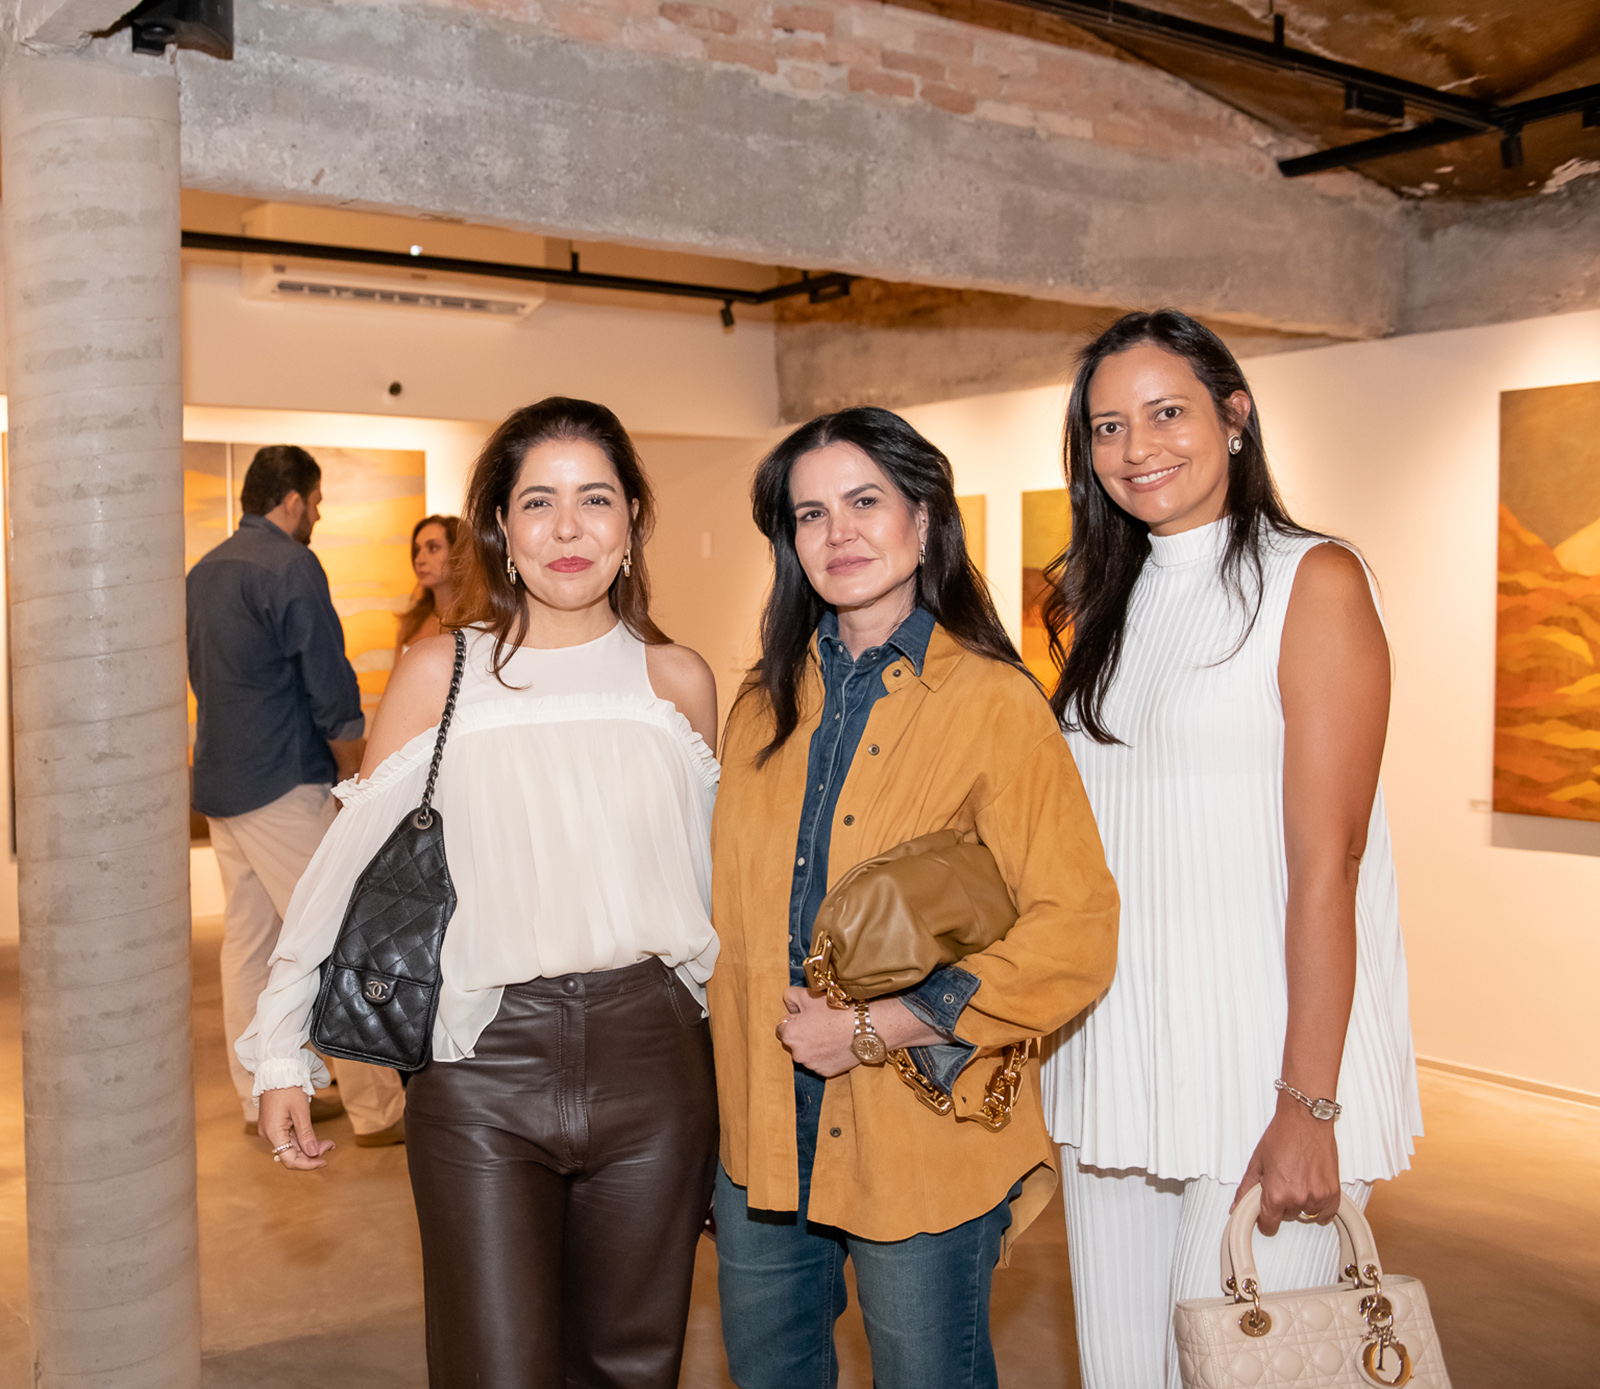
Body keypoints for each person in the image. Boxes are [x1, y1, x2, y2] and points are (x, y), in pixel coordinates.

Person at [237, 398, 722, 1389]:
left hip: (657, 1065)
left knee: (633, 1369)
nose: (568, 526)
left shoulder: (677, 681)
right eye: (538, 501)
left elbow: (711, 889)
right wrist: (281, 1047)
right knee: (492, 1367)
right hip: (481, 1069)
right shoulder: (440, 671)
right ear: (501, 525)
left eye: (595, 498)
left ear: (632, 518)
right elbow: (341, 873)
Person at [1037, 310, 1422, 1388]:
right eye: (1108, 426)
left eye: (1167, 413)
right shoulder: (1105, 603)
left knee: (1244, 1369)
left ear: (1235, 416)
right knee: (1122, 1371)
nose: (1137, 447)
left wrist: (1308, 1105)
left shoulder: (1315, 579)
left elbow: (1330, 863)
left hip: (1266, 1063)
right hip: (1121, 1060)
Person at [708, 406, 1120, 1389]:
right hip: (761, 1138)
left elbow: (1077, 930)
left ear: (924, 517)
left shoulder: (994, 703)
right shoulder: (760, 705)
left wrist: (881, 1024)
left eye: (864, 501)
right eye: (810, 514)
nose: (838, 533)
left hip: (917, 1132)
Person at [187, 444, 406, 1145]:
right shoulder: (290, 564)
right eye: (315, 502)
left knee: (249, 945)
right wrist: (355, 778)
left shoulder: (203, 571)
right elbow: (330, 682)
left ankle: (260, 1094)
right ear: (291, 501)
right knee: (337, 936)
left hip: (222, 785)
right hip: (284, 783)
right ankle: (379, 1109)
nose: (318, 514)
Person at [395, 513, 459, 656]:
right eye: (417, 550)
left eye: (433, 548)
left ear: (458, 553)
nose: (419, 559)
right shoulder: (411, 622)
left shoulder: (478, 622)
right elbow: (396, 670)